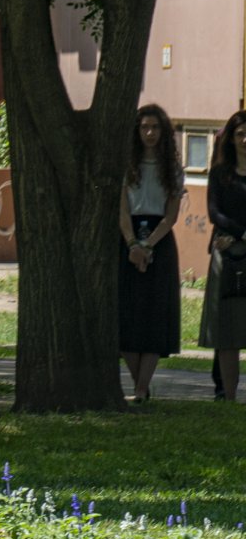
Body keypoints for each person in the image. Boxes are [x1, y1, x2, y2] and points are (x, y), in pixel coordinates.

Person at [118, 105, 184, 402]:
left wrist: (147, 246)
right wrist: (132, 244)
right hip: (127, 237)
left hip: (160, 240)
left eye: (155, 128)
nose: (149, 133)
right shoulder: (126, 164)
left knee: (155, 315)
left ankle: (143, 388)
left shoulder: (171, 169)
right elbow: (121, 209)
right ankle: (139, 385)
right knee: (127, 314)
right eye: (144, 127)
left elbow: (171, 216)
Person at [199, 110, 246, 400]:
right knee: (228, 329)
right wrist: (240, 234)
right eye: (240, 134)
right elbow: (214, 211)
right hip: (227, 253)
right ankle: (227, 394)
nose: (245, 139)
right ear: (231, 138)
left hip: (237, 242)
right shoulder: (220, 172)